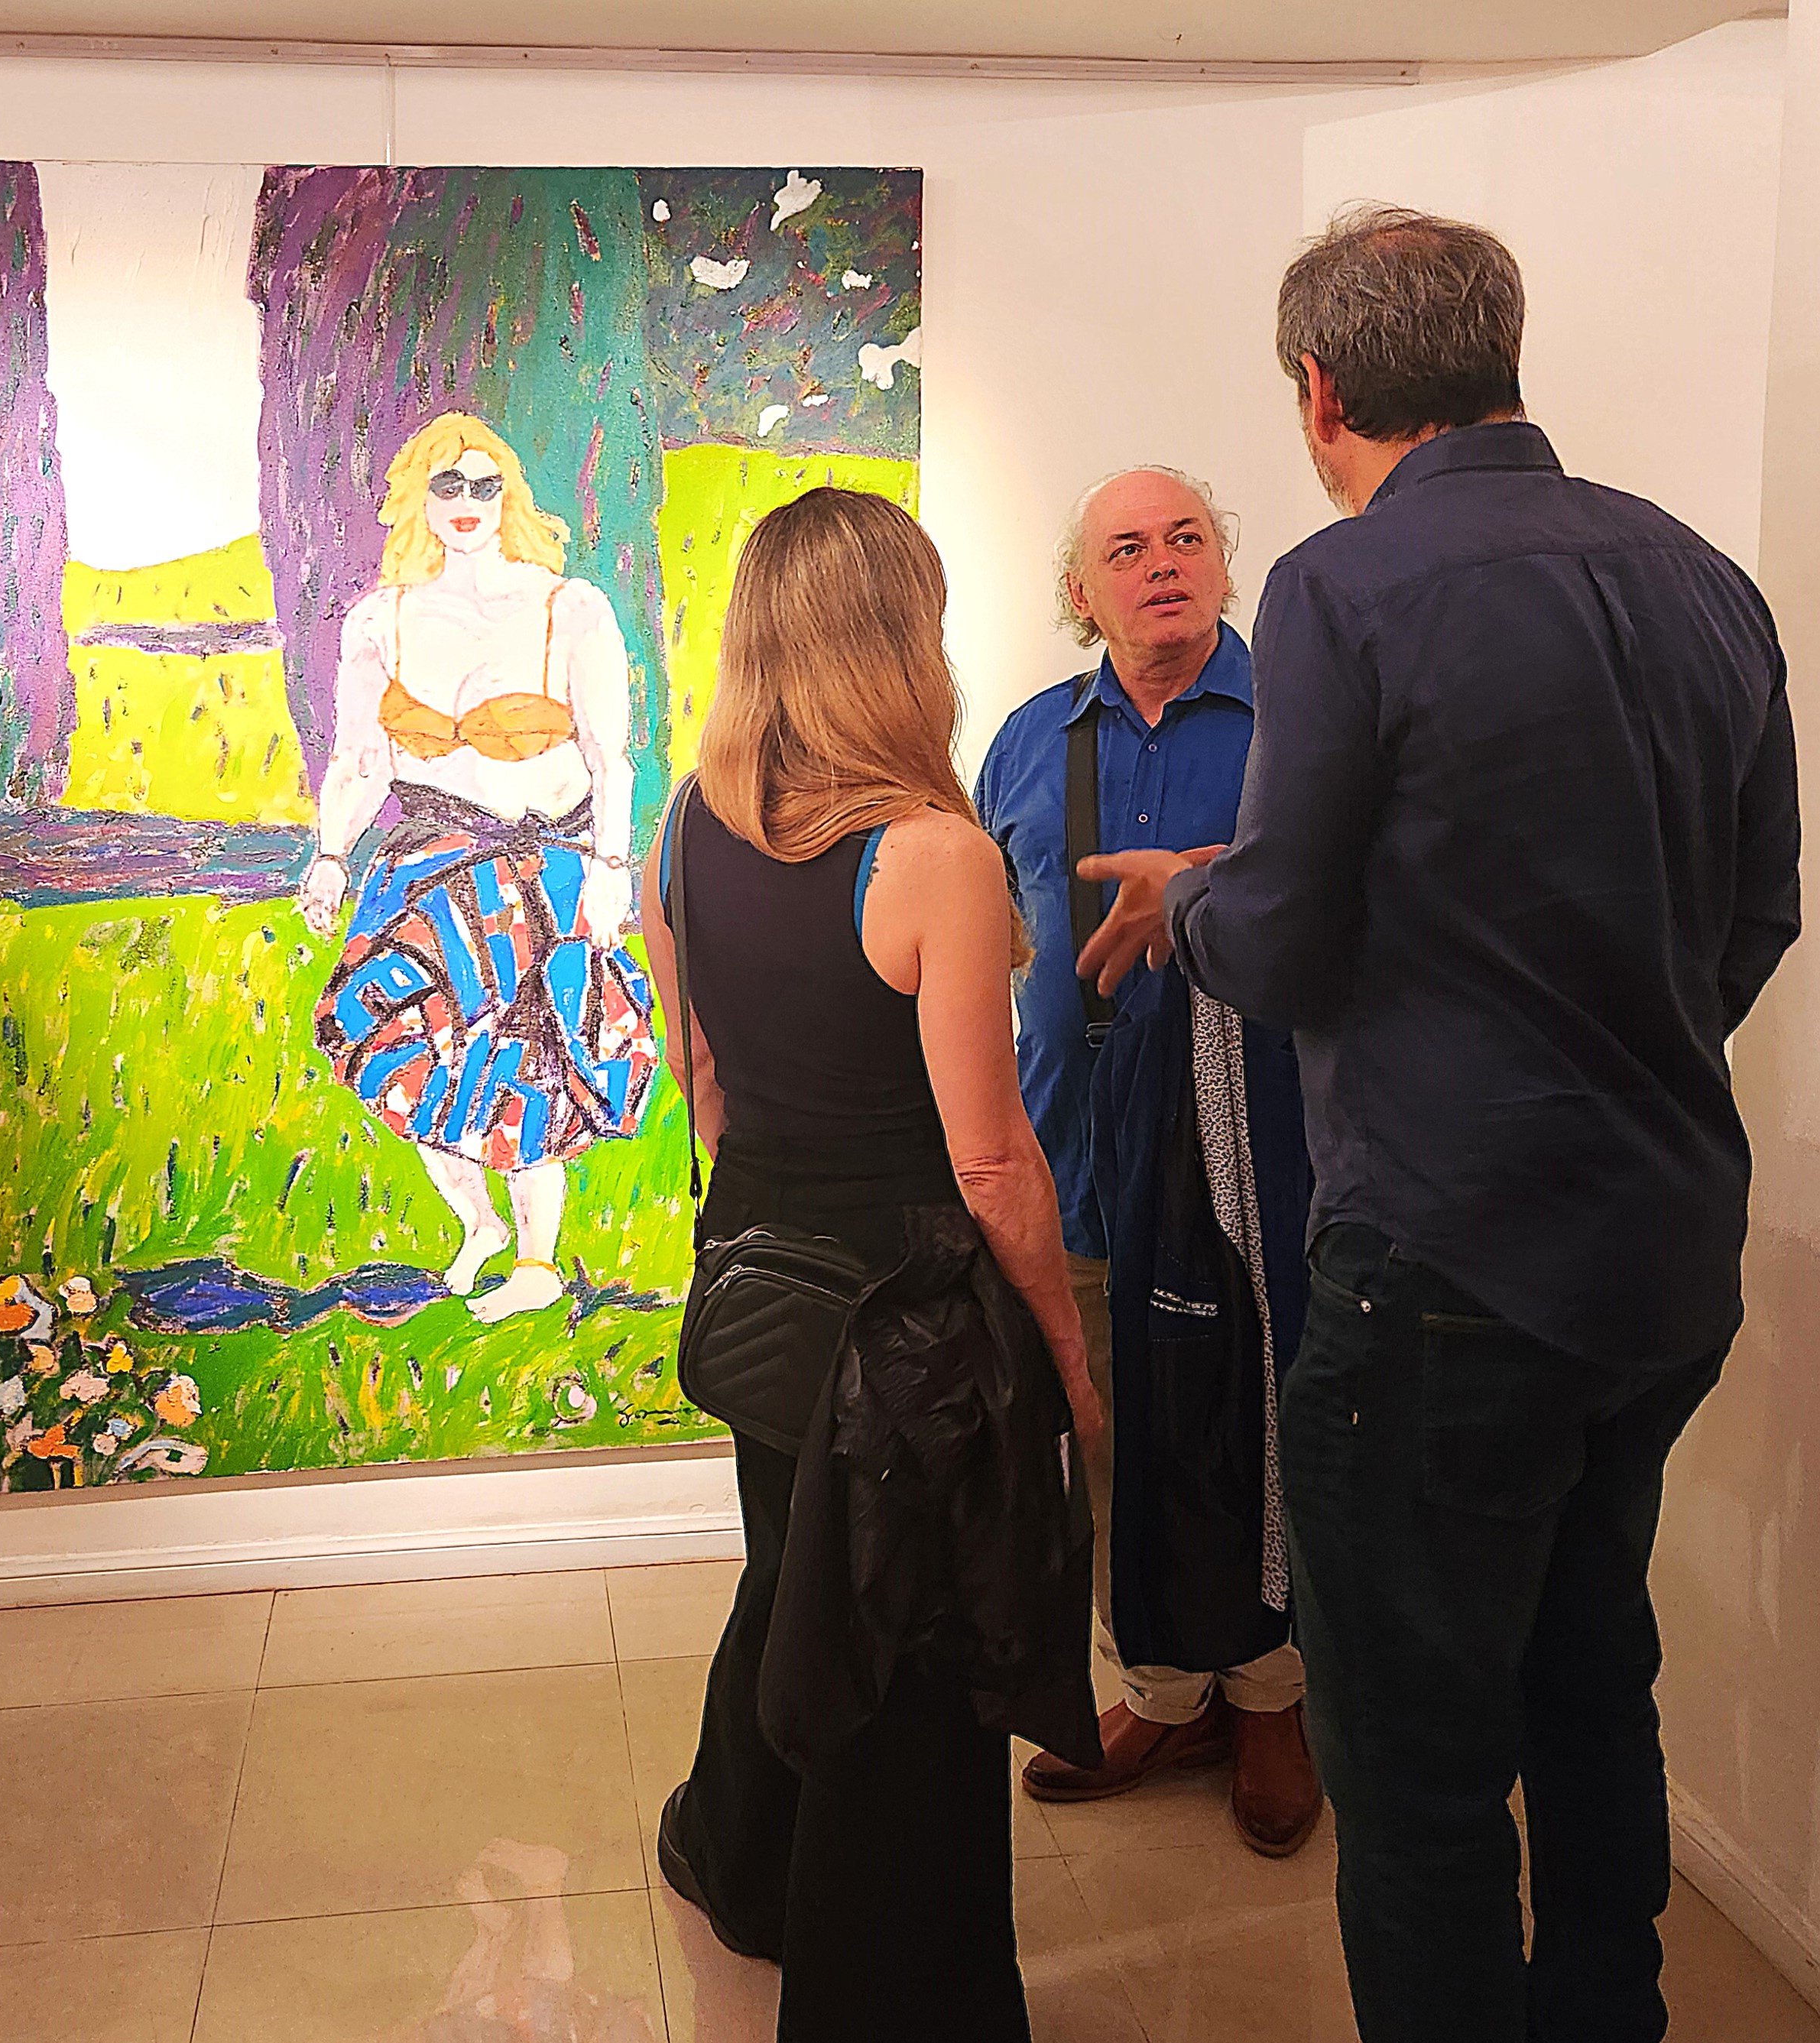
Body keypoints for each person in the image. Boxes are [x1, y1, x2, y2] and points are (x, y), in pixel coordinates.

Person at [1076, 206, 1800, 2042]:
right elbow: (1754, 912)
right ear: (1499, 353)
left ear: (1318, 392)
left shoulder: (1344, 586)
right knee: (1587, 1675)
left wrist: (1190, 896)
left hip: (1441, 1271)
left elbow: (1281, 936)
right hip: (1656, 1255)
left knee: (1409, 1765)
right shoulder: (1702, 578)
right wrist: (1613, 1058)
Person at [639, 486, 1104, 2041]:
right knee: (906, 1656)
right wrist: (1064, 1352)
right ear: (900, 636)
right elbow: (990, 1161)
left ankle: (737, 1857)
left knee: (792, 1574)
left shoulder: (683, 822)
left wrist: (750, 1222)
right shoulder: (930, 854)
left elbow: (698, 1073)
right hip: (906, 1317)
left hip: (758, 1275)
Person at [975, 467, 1322, 1856]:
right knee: (1115, 1435)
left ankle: (1273, 1696)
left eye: (1186, 539)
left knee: (1265, 1427)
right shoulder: (1023, 742)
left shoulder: (1304, 718)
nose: (1161, 563)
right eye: (1126, 547)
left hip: (1271, 1171)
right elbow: (994, 946)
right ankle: (1164, 1691)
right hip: (1079, 1161)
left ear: (1223, 570)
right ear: (1082, 590)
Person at [298, 410, 657, 1324]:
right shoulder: (380, 619)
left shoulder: (569, 608)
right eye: (446, 485)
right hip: (426, 871)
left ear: (510, 496)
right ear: (417, 500)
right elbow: (359, 760)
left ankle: (536, 1264)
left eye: (483, 485)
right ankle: (479, 1224)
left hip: (543, 871)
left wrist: (612, 867)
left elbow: (612, 759)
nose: (465, 502)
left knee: (530, 1057)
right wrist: (331, 855)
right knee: (401, 1050)